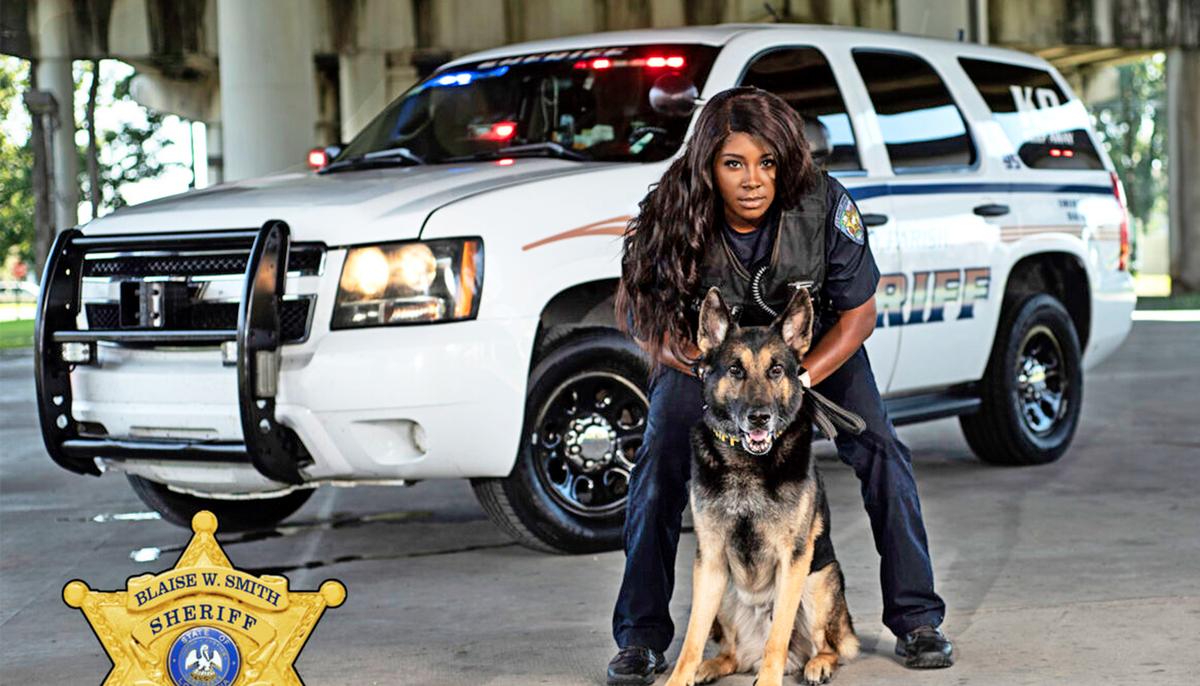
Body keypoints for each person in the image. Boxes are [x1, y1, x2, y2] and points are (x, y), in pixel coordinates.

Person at [606, 87, 954, 685]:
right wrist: (698, 366)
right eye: (733, 163)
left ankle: (917, 617)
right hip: (713, 366)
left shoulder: (822, 203)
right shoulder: (672, 206)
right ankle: (640, 638)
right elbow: (644, 318)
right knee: (659, 459)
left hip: (808, 356)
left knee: (882, 452)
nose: (752, 181)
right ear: (709, 166)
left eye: (765, 163)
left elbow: (859, 315)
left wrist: (801, 378)